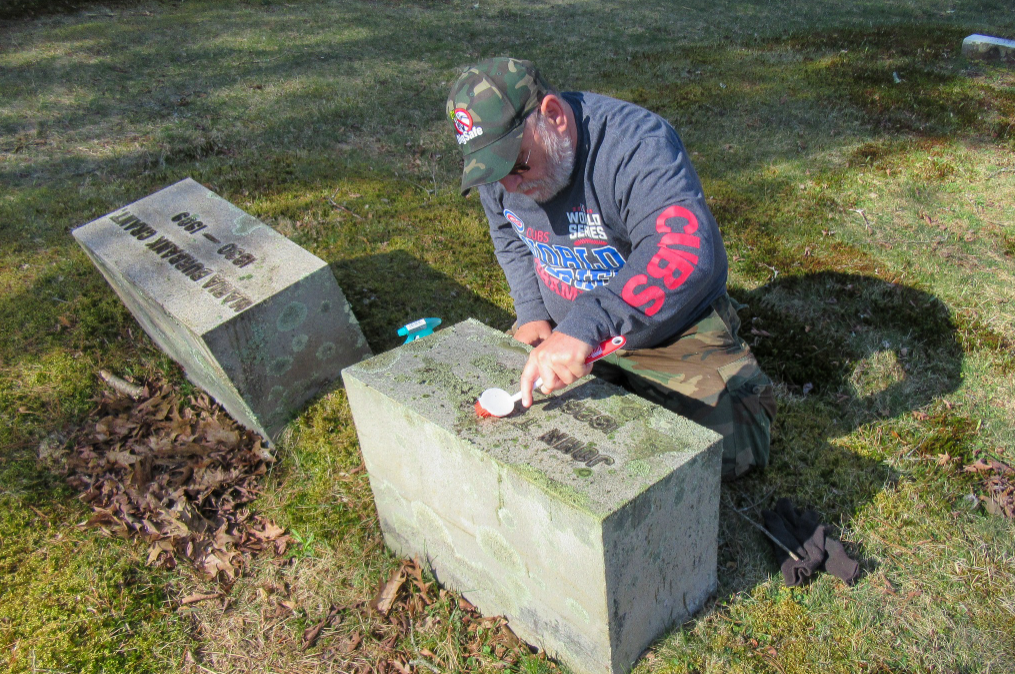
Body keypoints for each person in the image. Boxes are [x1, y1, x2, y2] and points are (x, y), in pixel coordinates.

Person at [446, 57, 776, 480]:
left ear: (553, 116)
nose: (509, 185)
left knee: (734, 451)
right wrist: (531, 311)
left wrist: (586, 325)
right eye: (494, 172)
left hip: (666, 327)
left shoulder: (635, 144)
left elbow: (684, 252)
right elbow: (508, 233)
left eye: (517, 164)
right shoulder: (504, 175)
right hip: (566, 333)